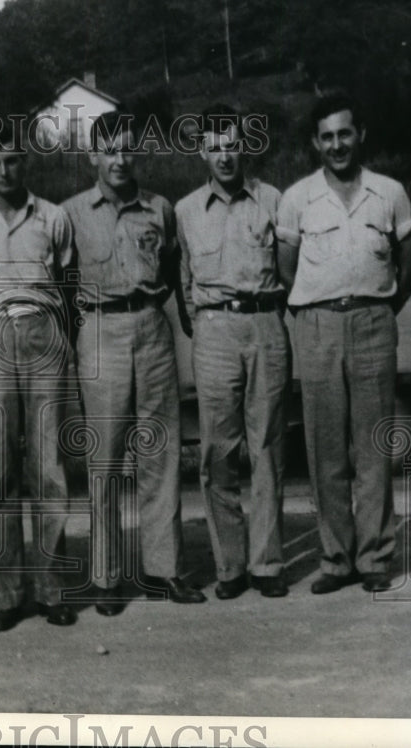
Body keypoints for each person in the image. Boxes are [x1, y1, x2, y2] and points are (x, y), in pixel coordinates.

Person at [276, 90, 411, 594]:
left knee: (373, 446)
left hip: (373, 324)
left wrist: (379, 309)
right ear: (316, 143)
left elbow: (410, 262)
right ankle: (336, 558)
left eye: (345, 133)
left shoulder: (390, 192)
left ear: (361, 135)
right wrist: (316, 311)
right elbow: (286, 269)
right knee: (325, 449)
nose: (337, 144)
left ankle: (375, 556)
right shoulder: (297, 198)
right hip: (316, 327)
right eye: (327, 137)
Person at [62, 110, 205, 616]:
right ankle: (105, 576)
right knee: (105, 460)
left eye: (128, 149)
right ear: (92, 157)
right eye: (109, 150)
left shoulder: (159, 209)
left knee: (160, 453)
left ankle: (164, 570)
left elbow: (170, 270)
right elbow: (61, 286)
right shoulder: (72, 213)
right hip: (100, 330)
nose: (120, 159)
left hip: (150, 326)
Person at [174, 105, 290, 600]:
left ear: (246, 146)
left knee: (267, 448)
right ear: (202, 151)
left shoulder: (273, 200)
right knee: (217, 452)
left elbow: (289, 270)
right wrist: (205, 326)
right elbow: (181, 283)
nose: (224, 155)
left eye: (232, 144)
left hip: (265, 323)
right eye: (214, 146)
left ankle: (267, 564)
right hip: (214, 330)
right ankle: (231, 566)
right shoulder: (184, 211)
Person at [0, 125, 78, 631]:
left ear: (24, 163)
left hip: (43, 334)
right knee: (0, 470)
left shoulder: (53, 217)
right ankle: (7, 593)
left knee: (49, 466)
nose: (5, 170)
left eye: (13, 160)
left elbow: (69, 286)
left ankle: (52, 588)